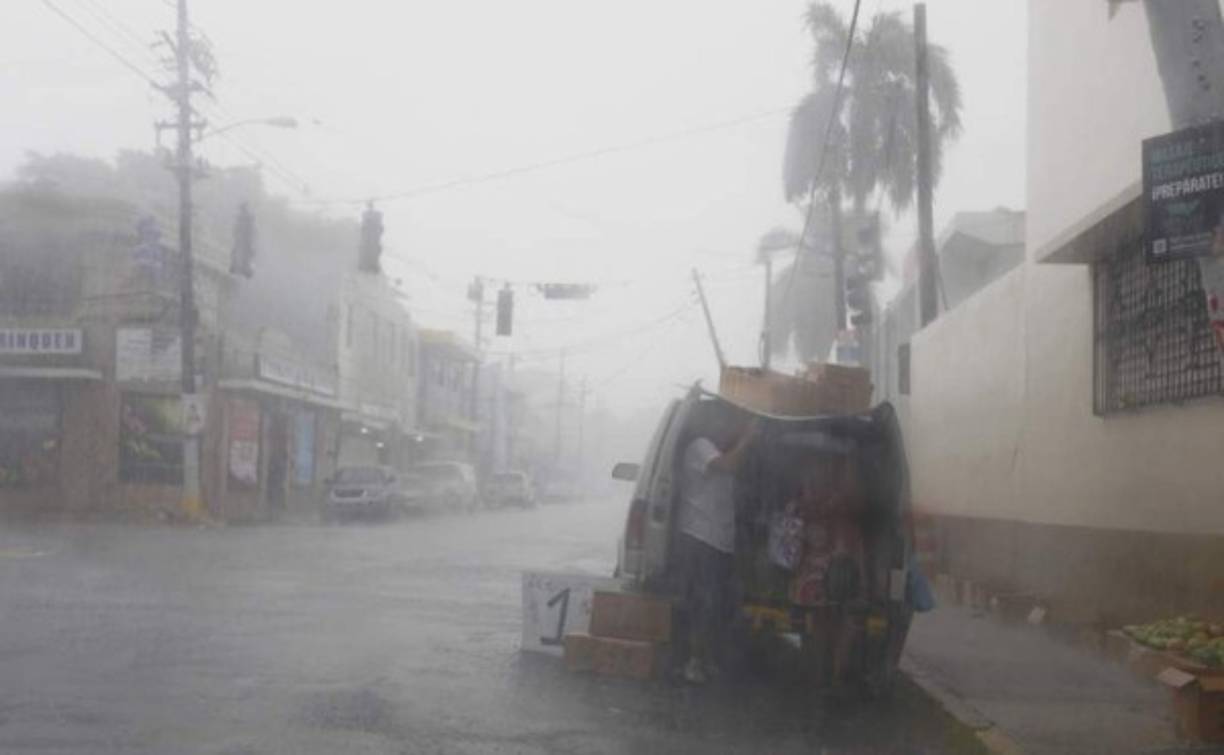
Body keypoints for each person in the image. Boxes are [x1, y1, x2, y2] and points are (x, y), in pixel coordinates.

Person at [674, 412, 757, 684]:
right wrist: (749, 435)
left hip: (719, 541)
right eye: (726, 422)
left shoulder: (718, 449)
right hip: (700, 538)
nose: (728, 428)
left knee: (716, 604)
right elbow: (729, 464)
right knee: (703, 602)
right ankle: (693, 661)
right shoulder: (700, 446)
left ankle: (705, 660)